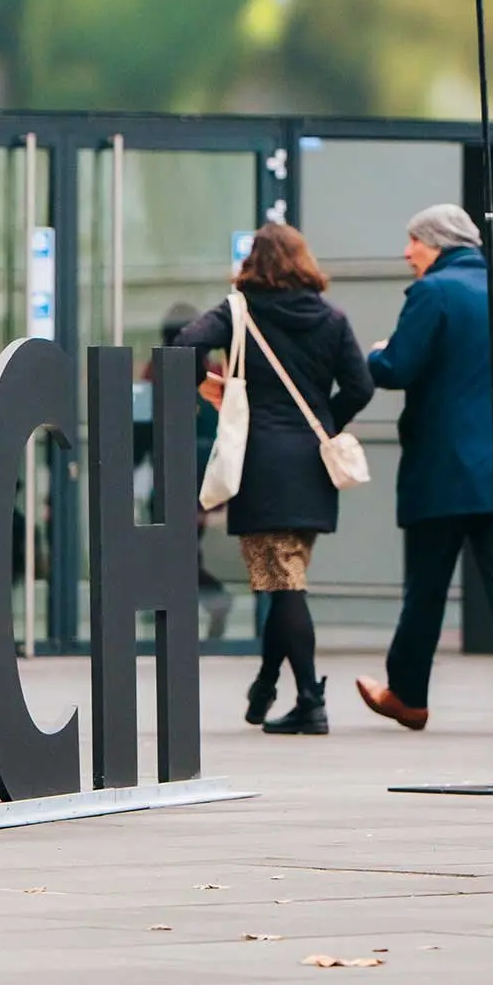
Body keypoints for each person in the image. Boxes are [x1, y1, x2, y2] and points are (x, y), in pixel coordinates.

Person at [356, 204, 493, 736]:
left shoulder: (432, 293)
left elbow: (396, 368)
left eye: (413, 241)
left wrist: (376, 353)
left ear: (436, 243)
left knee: (427, 586)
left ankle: (408, 696)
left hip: (442, 469)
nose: (406, 252)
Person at [177, 224, 374, 736]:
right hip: (312, 465)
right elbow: (360, 384)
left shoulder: (240, 311)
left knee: (283, 586)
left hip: (261, 463)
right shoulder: (331, 318)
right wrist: (324, 423)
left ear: (255, 264)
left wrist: (207, 384)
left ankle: (309, 699)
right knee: (283, 580)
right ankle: (266, 684)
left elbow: (186, 344)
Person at [154, 304, 232, 640]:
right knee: (176, 555)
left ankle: (206, 606)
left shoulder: (203, 382)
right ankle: (184, 616)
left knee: (176, 555)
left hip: (182, 485)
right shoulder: (202, 379)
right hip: (182, 485)